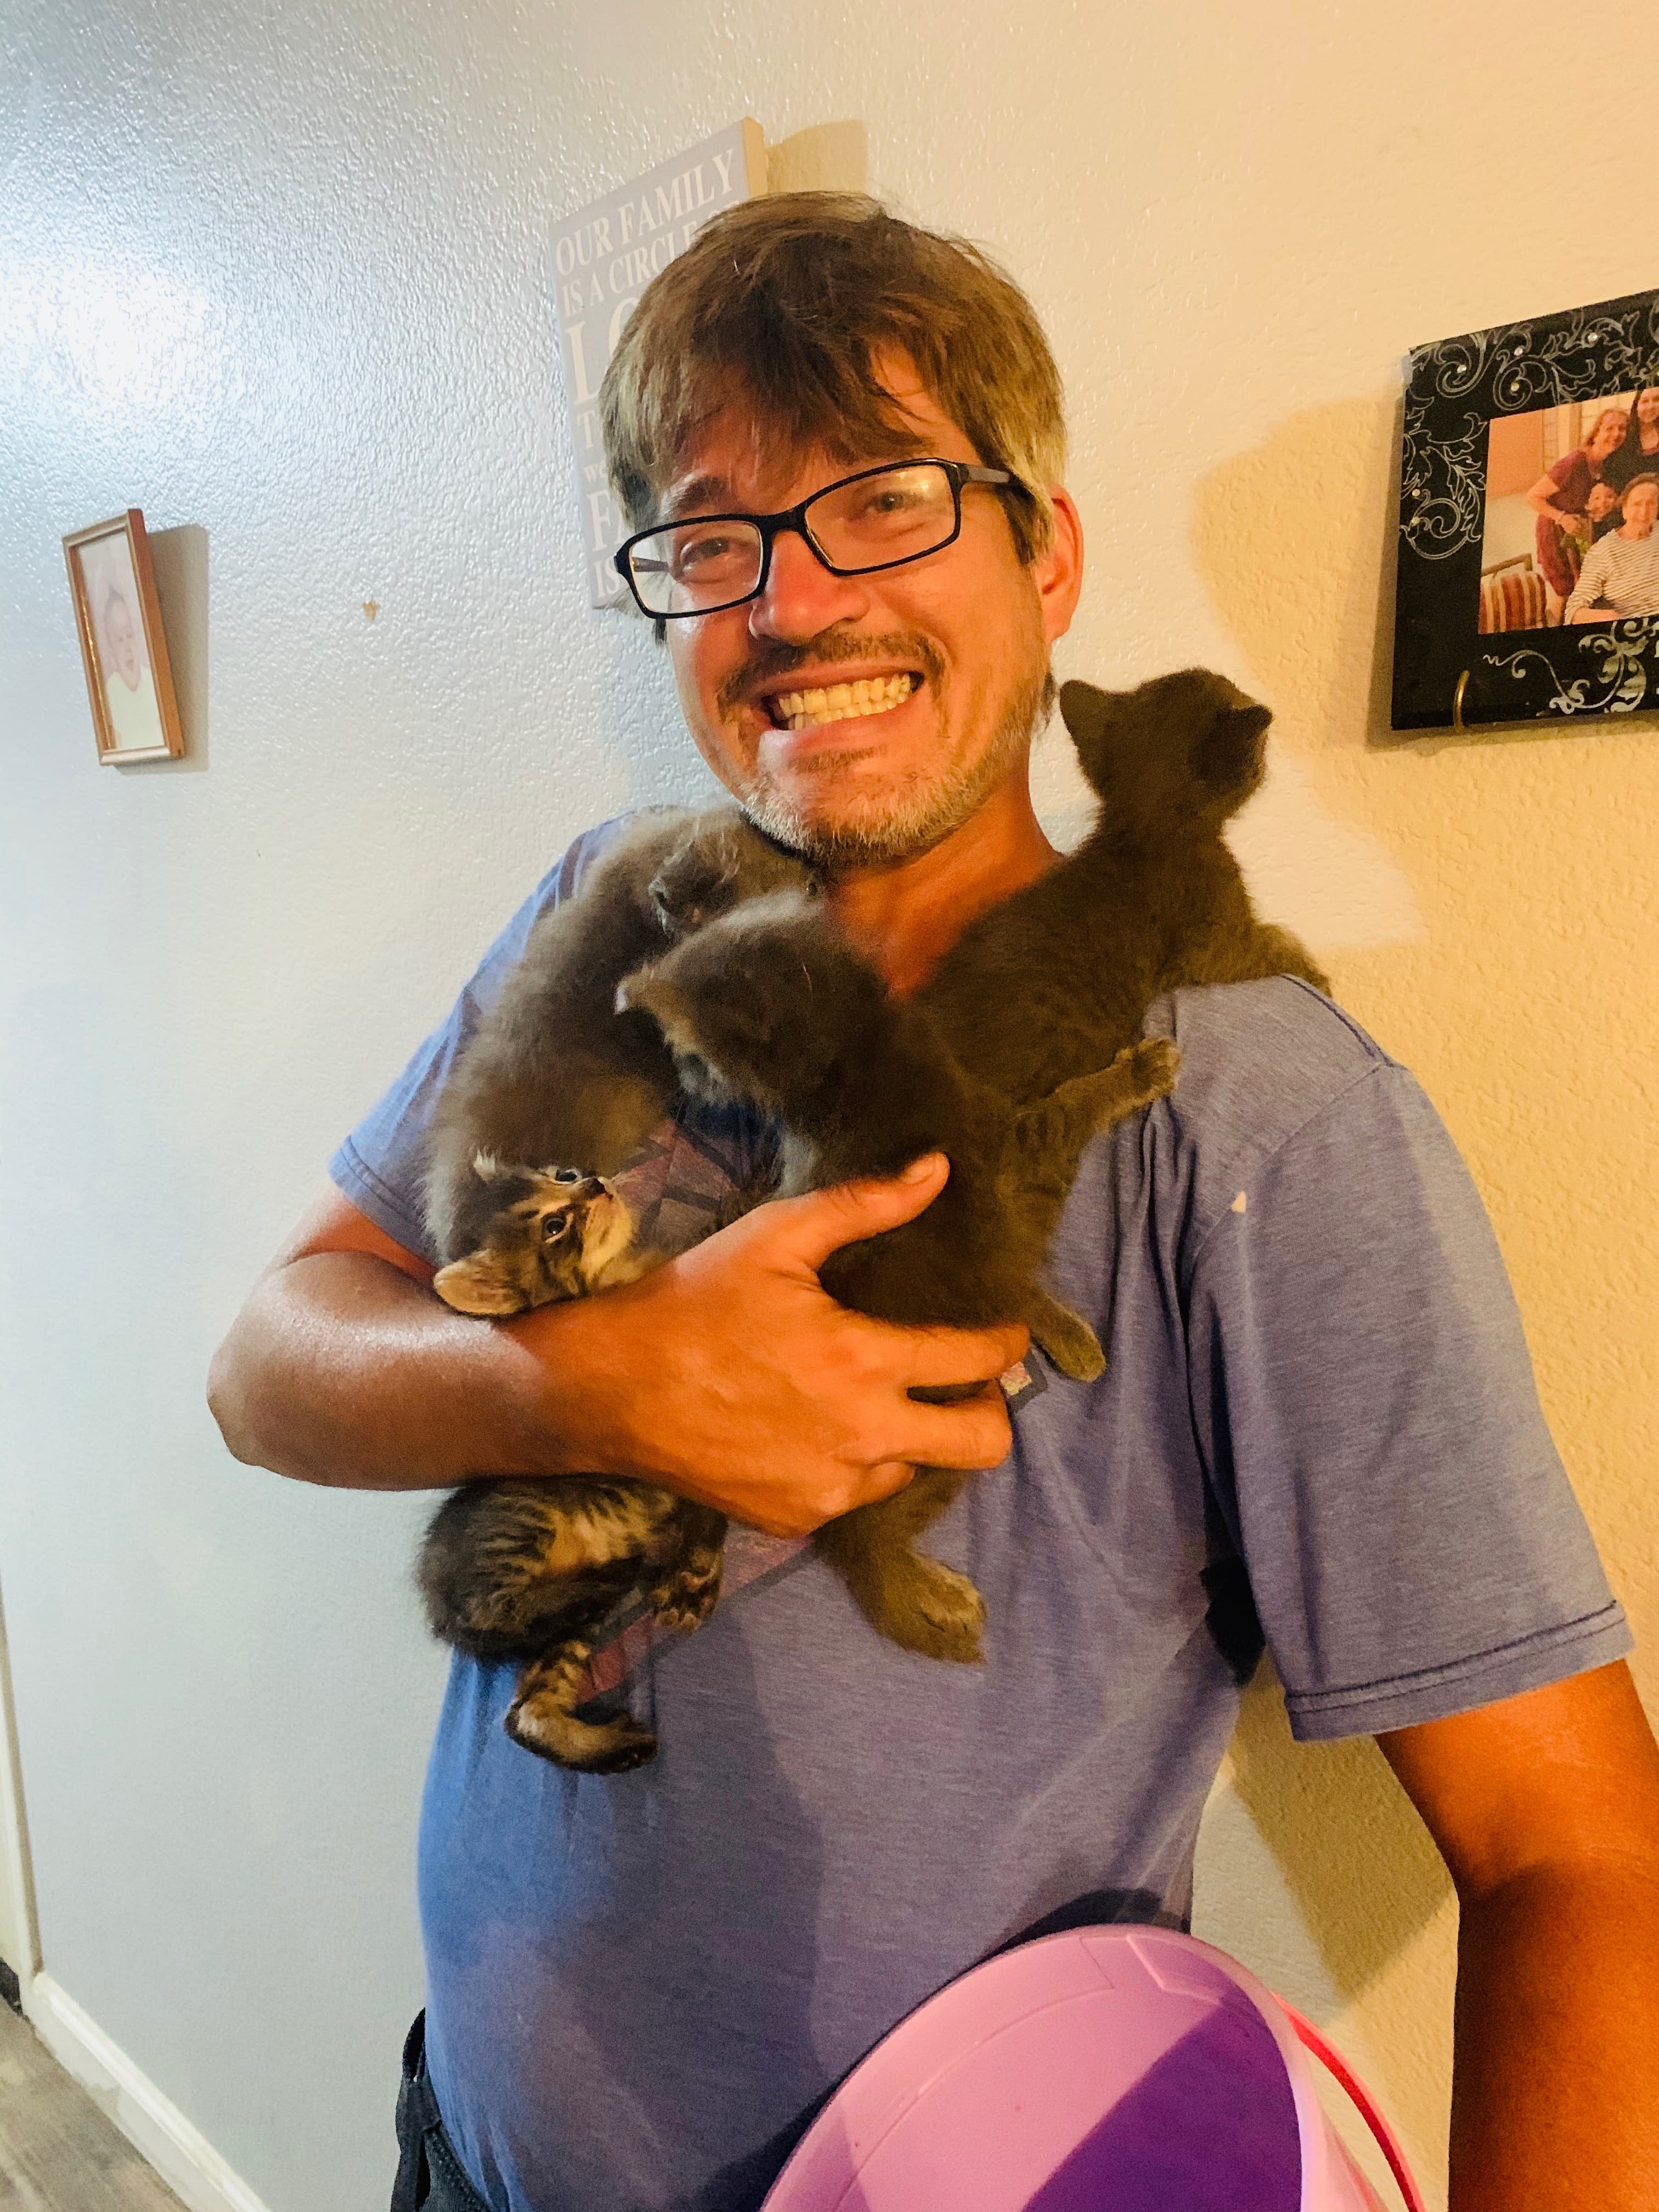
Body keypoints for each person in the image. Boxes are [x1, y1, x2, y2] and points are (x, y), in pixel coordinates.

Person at [207, 195, 1659, 2212]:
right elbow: (270, 1353)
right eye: (712, 537)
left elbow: (1569, 1855)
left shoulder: (1251, 1110)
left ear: (1042, 551)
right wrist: (581, 1384)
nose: (791, 605)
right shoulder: (616, 903)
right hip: (465, 2142)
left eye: (879, 498)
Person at [1525, 403, 1627, 602]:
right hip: (1555, 531)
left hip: (1579, 536)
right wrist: (1562, 518)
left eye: (1622, 429)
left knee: (1581, 590)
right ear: (1596, 433)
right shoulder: (1574, 463)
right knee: (1563, 593)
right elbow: (1533, 497)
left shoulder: (1606, 464)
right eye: (1609, 428)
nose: (1616, 434)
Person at [1565, 472, 1659, 619]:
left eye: (1651, 503)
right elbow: (1574, 609)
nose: (1644, 511)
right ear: (1624, 509)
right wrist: (1608, 617)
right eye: (1637, 504)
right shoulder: (1604, 551)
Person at [100, 583, 163, 751]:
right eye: (119, 640)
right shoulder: (111, 690)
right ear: (112, 651)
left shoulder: (152, 680)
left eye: (130, 635)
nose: (128, 645)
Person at [1601, 384, 1659, 499]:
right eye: (1645, 401)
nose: (1650, 406)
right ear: (1637, 405)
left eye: (1657, 400)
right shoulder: (1623, 434)